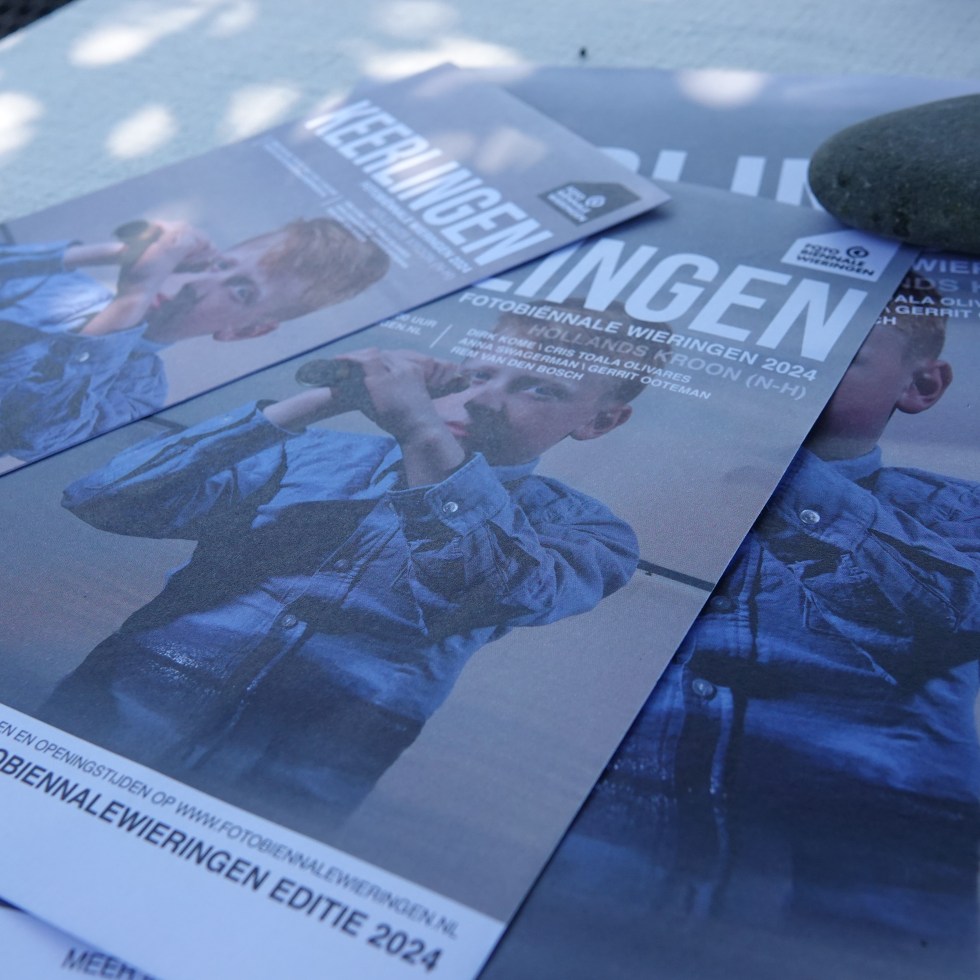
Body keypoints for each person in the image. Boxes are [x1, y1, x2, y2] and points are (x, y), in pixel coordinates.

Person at [484, 287, 980, 979]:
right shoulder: (615, 487)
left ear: (920, 385)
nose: (788, 381)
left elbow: (951, 615)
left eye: (836, 359)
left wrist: (791, 477)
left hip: (862, 884)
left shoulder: (954, 511)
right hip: (606, 855)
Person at [41, 309, 644, 835]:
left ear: (599, 421)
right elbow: (102, 497)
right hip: (117, 704)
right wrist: (325, 398)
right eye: (480, 373)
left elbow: (491, 585)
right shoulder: (304, 451)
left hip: (303, 764)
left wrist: (421, 430)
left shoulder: (588, 532)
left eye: (540, 388)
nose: (482, 400)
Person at [0, 218, 388, 462]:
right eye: (221, 264)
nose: (197, 283)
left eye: (241, 291)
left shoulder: (139, 393)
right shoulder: (65, 286)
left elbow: (32, 428)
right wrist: (119, 253)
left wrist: (132, 299)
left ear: (245, 330)